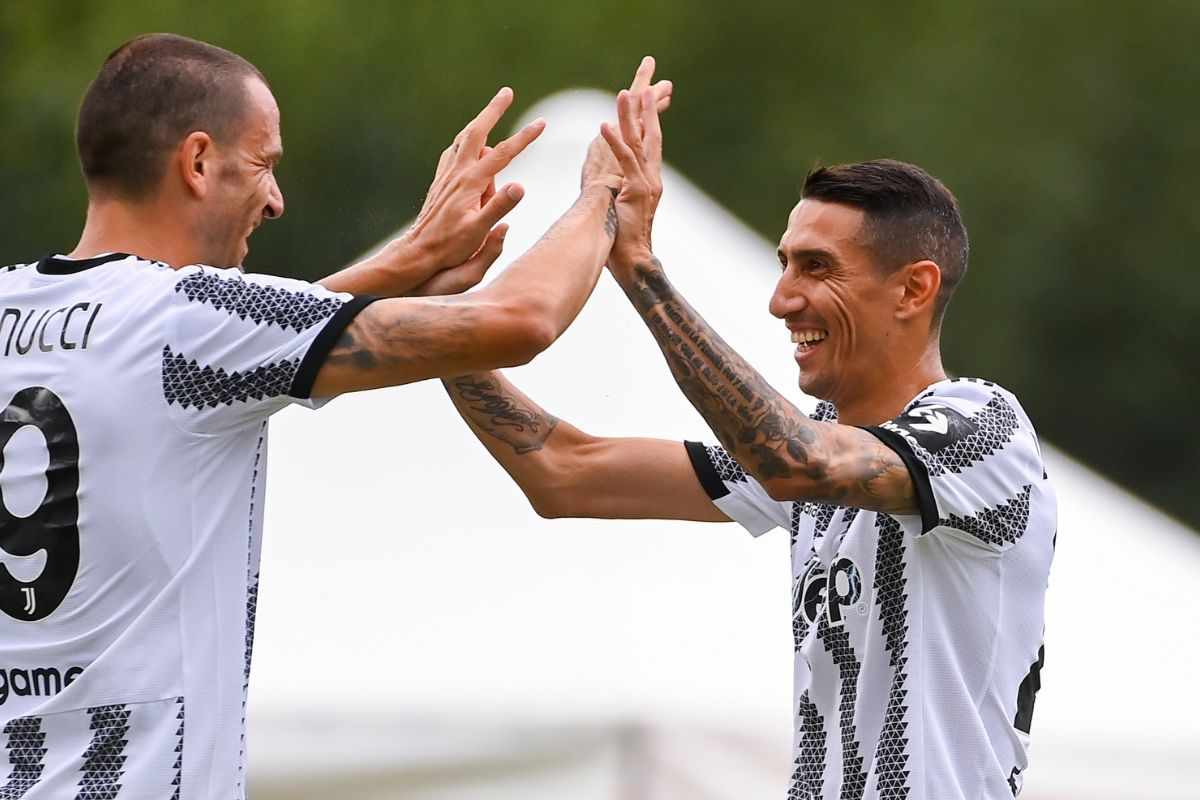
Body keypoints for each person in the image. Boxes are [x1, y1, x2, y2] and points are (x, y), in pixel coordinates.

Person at [0, 33, 668, 798]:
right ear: (197, 162)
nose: (276, 199)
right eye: (264, 163)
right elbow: (523, 319)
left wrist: (411, 258)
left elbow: (213, 356)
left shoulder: (18, 306)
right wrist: (603, 193)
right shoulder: (188, 319)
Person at [444, 88, 1056, 798]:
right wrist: (443, 319)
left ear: (913, 290)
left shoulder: (982, 427)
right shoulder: (824, 444)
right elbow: (564, 473)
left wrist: (638, 265)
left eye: (817, 267)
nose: (780, 299)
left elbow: (794, 460)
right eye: (784, 263)